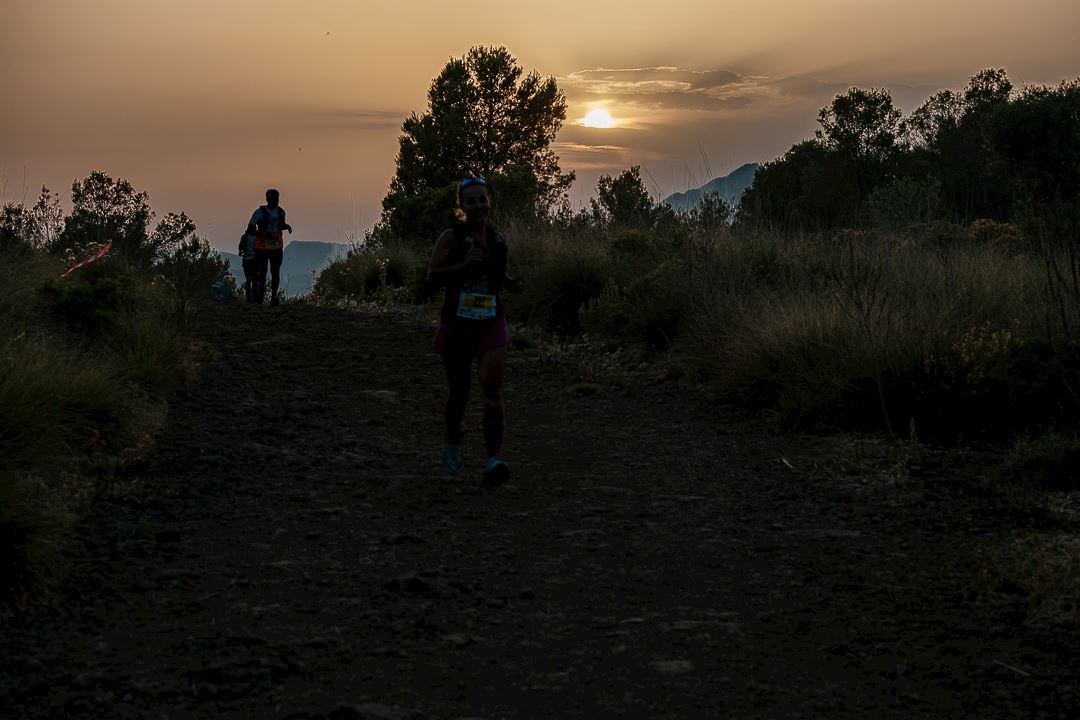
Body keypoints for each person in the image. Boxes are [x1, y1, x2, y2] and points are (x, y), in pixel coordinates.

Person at [426, 177, 523, 487]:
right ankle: (453, 438)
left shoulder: (498, 240)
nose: (478, 206)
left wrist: (509, 283)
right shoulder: (451, 239)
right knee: (460, 394)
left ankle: (493, 459)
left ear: (490, 201)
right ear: (463, 206)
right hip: (457, 325)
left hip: (491, 323)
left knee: (492, 390)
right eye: (471, 201)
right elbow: (431, 278)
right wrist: (462, 268)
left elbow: (498, 276)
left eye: (483, 199)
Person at [246, 188, 292, 306]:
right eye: (273, 199)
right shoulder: (259, 212)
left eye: (276, 199)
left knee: (275, 272)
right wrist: (263, 234)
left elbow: (280, 224)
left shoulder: (281, 212)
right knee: (262, 272)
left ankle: (274, 296)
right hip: (262, 247)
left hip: (276, 246)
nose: (275, 201)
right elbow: (250, 229)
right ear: (267, 199)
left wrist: (286, 226)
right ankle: (260, 295)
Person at [238, 230, 259, 302]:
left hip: (246, 260)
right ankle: (255, 298)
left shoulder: (244, 237)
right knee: (255, 280)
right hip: (255, 261)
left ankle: (248, 299)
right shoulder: (258, 237)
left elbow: (240, 248)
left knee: (248, 280)